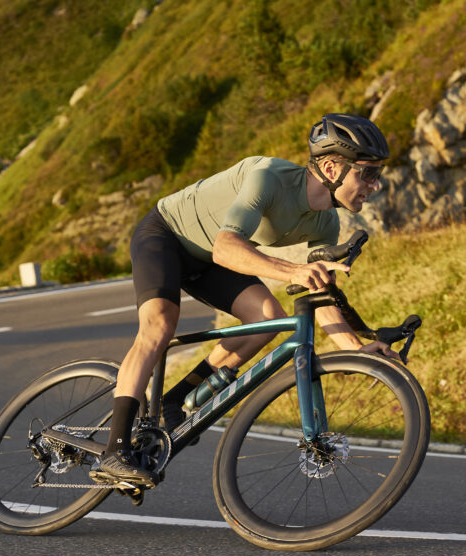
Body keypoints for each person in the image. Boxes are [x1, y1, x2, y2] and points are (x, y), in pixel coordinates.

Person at [97, 113, 400, 486]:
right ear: (331, 166)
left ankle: (173, 399)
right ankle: (113, 452)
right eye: (367, 174)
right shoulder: (268, 177)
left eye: (377, 175)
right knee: (159, 323)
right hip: (167, 236)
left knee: (267, 319)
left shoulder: (326, 223)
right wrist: (292, 272)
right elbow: (227, 248)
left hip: (208, 259)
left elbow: (320, 296)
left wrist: (355, 347)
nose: (375, 185)